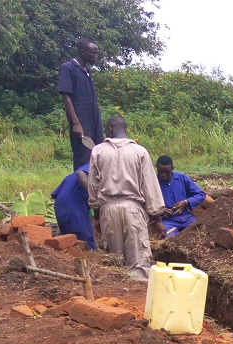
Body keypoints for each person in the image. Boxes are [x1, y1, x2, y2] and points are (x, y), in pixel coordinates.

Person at [87, 115, 165, 281]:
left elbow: (93, 186)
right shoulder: (139, 151)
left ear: (109, 130)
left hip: (108, 210)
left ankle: (118, 299)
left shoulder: (98, 151)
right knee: (138, 261)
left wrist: (96, 217)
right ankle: (137, 301)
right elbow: (149, 185)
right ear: (125, 130)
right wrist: (156, 217)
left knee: (115, 262)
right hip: (133, 209)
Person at [58, 38, 103, 170]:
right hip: (81, 120)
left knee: (98, 153)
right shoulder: (68, 68)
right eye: (93, 53)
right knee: (83, 158)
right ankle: (79, 189)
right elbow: (66, 96)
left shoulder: (87, 70)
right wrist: (76, 123)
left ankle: (95, 189)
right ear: (83, 52)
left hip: (94, 119)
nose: (96, 56)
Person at [156, 155, 207, 237]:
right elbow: (145, 202)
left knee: (202, 234)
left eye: (166, 172)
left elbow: (201, 194)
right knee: (171, 240)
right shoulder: (153, 182)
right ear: (156, 167)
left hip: (187, 217)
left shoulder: (181, 177)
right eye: (160, 171)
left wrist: (186, 202)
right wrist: (159, 210)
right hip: (167, 221)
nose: (163, 174)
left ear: (172, 168)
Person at [51, 164, 97, 250]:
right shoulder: (96, 163)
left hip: (60, 206)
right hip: (74, 207)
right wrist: (94, 196)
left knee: (69, 245)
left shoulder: (71, 177)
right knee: (86, 246)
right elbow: (81, 173)